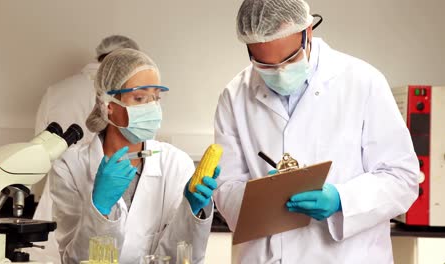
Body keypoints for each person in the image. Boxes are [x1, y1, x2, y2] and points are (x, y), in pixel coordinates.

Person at [214, 0, 419, 263]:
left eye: (289, 59)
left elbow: (402, 178)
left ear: (308, 31)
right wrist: (264, 196)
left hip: (348, 256)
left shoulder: (363, 82)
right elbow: (226, 187)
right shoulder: (234, 95)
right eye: (264, 65)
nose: (279, 71)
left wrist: (341, 199)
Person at [50, 48, 218, 264]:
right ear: (108, 105)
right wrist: (99, 210)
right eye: (139, 98)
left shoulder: (175, 163)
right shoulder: (70, 167)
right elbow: (75, 261)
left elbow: (182, 258)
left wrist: (193, 213)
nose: (152, 108)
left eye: (155, 98)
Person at [30, 35, 140, 264]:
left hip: (53, 210)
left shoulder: (56, 91)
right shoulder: (129, 97)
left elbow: (39, 154)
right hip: (96, 196)